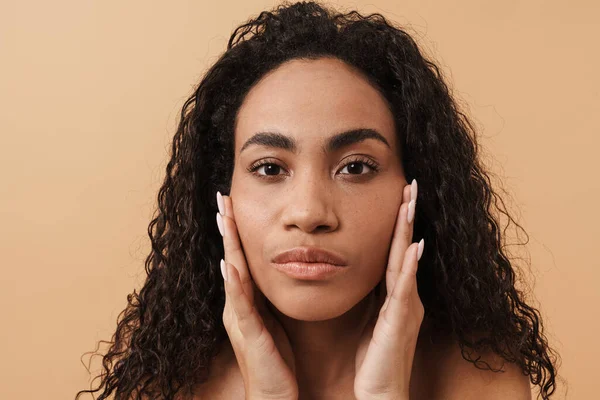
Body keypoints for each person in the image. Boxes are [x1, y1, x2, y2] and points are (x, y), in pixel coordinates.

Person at [75, 1, 560, 399]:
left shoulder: (481, 383)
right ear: (223, 195)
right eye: (269, 168)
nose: (309, 213)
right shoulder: (167, 387)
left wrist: (386, 394)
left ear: (413, 189)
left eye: (355, 167)